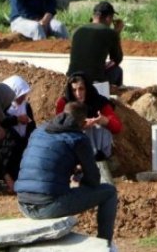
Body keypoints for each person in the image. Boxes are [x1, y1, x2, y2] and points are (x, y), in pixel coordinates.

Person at [15, 101, 118, 247]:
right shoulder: (79, 139)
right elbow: (94, 181)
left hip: (23, 202)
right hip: (47, 206)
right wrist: (81, 173)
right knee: (109, 191)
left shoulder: (39, 130)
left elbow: (46, 163)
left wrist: (69, 167)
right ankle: (104, 245)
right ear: (83, 122)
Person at [55, 73, 122, 164]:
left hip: (97, 147)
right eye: (74, 90)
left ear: (87, 88)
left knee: (100, 127)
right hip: (73, 146)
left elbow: (117, 127)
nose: (78, 94)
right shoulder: (64, 103)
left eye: (81, 89)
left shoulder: (99, 102)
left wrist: (103, 121)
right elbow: (58, 128)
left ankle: (100, 158)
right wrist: (80, 126)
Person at [67, 1, 124, 86]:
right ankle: (112, 96)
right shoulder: (110, 33)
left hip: (72, 78)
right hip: (95, 80)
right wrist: (116, 33)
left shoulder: (77, 30)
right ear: (108, 18)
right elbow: (117, 59)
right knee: (118, 70)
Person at [0, 75, 36, 182]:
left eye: (23, 95)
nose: (23, 98)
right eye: (20, 95)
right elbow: (2, 122)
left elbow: (32, 125)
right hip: (8, 146)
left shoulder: (26, 106)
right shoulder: (4, 106)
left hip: (23, 144)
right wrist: (17, 120)